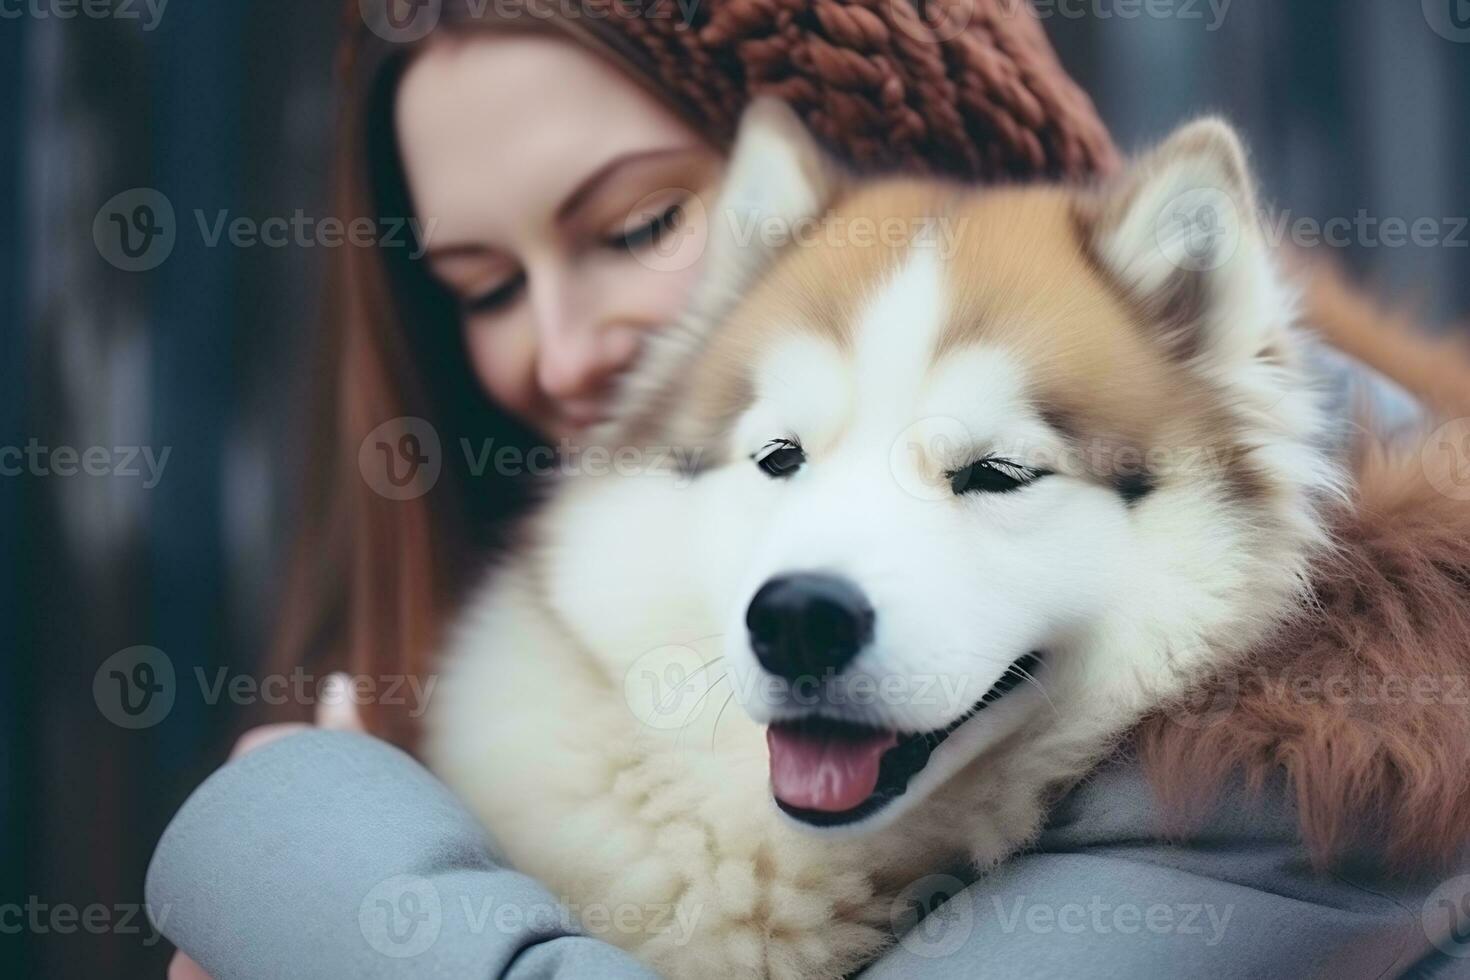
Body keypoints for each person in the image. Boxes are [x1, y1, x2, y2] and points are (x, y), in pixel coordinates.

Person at [149, 1, 1451, 977]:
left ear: (902, 155)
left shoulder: (1330, 740)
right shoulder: (518, 646)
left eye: (640, 226)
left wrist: (308, 864)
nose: (558, 351)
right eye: (484, 287)